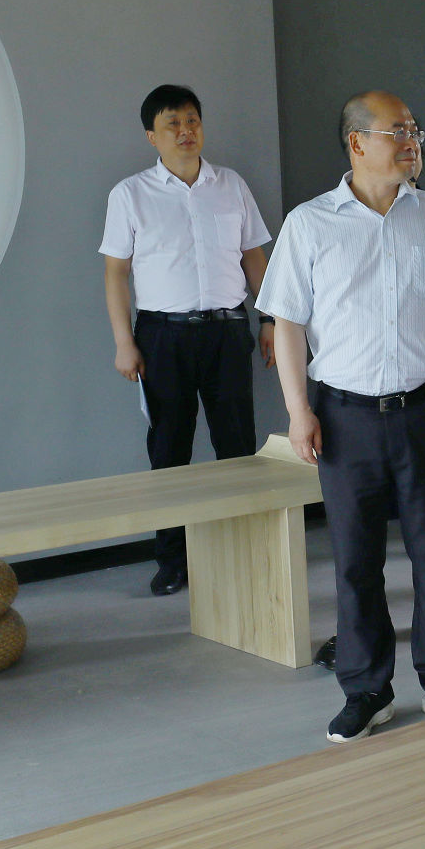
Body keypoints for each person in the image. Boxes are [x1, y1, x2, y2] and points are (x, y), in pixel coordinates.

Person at [259, 90, 425, 743]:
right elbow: (287, 325)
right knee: (356, 563)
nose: (412, 141)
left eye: (414, 130)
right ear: (357, 142)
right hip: (345, 417)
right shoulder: (310, 224)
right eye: (398, 131)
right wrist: (298, 410)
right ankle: (366, 690)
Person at [100, 84, 274, 597]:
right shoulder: (130, 194)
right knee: (169, 450)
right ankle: (173, 560)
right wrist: (124, 341)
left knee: (237, 447)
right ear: (151, 136)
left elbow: (254, 258)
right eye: (172, 124)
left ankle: (243, 552)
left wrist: (269, 319)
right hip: (161, 336)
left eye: (192, 120)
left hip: (227, 330)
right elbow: (115, 274)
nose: (185, 132)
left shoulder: (231, 185)